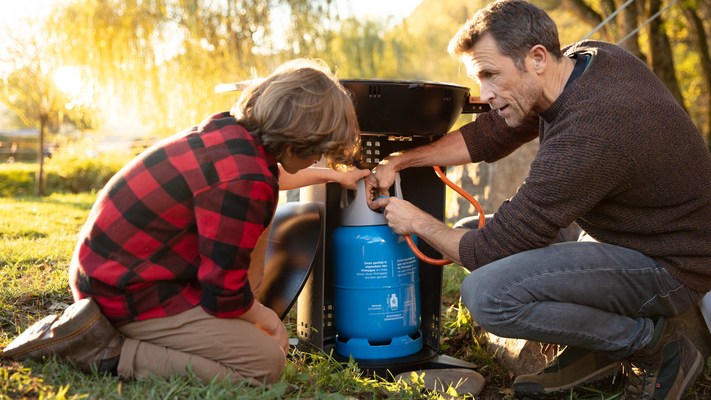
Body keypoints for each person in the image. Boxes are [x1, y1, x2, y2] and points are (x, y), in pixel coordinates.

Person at [366, 1, 711, 399]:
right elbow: (491, 134)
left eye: (491, 76)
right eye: (479, 78)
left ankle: (653, 346)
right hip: (622, 233)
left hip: (670, 263)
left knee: (487, 294)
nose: (485, 94)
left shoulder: (591, 131)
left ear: (537, 58)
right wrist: (402, 160)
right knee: (465, 231)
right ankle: (598, 344)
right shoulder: (587, 60)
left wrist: (416, 222)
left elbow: (487, 252)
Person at [3, 58, 369, 385]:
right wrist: (269, 321)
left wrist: (337, 177)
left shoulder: (232, 138)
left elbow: (275, 178)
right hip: (128, 294)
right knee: (266, 363)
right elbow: (224, 294)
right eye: (319, 152)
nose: (321, 159)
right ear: (292, 147)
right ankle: (105, 351)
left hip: (111, 273)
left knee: (252, 339)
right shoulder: (245, 180)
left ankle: (123, 338)